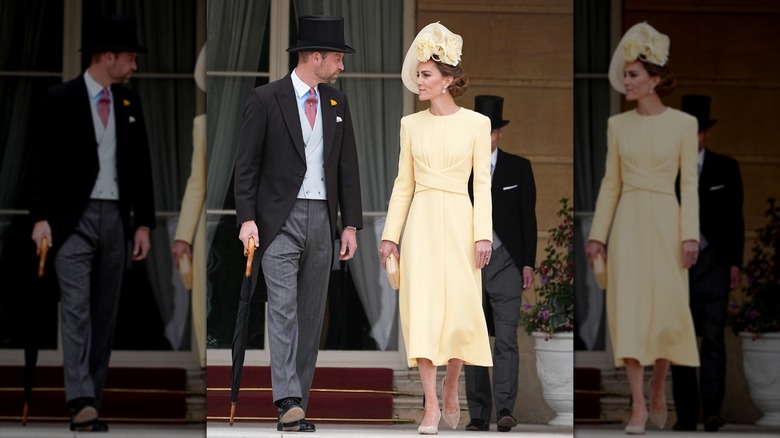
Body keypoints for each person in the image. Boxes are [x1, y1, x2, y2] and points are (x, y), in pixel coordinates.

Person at [232, 15, 362, 433]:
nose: (342, 65)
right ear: (315, 56)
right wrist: (247, 219)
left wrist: (350, 225)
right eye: (337, 57)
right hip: (278, 222)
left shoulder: (337, 102)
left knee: (310, 314)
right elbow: (246, 166)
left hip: (323, 218)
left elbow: (347, 168)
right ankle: (287, 398)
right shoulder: (265, 98)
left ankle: (296, 406)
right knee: (284, 310)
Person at [27, 15, 155, 432]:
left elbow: (141, 167)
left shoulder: (129, 103)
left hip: (115, 217)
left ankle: (90, 402)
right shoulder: (59, 98)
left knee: (105, 314)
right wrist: (40, 218)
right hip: (71, 220)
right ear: (107, 57)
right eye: (130, 57)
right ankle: (80, 399)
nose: (134, 65)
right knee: (76, 309)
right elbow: (39, 163)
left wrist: (143, 224)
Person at [585, 22, 700, 435]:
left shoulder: (685, 124)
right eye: (626, 75)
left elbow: (689, 185)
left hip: (668, 221)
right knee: (629, 311)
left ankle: (657, 385)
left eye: (633, 75)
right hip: (629, 223)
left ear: (654, 79)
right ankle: (637, 405)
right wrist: (597, 235)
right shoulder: (618, 125)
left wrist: (690, 235)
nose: (626, 82)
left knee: (667, 310)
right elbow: (610, 183)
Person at [378, 22, 493, 435]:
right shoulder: (410, 124)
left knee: (460, 309)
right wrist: (390, 235)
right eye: (418, 74)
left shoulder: (478, 124)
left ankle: (451, 383)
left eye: (425, 75)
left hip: (462, 220)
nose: (419, 81)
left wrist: (483, 234)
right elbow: (403, 184)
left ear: (447, 80)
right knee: (422, 310)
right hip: (422, 222)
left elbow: (482, 184)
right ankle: (430, 403)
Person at [463, 95, 537, 433]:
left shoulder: (519, 167)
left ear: (499, 133)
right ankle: (479, 413)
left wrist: (528, 264)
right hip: (469, 263)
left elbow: (528, 220)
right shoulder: (461, 168)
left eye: (491, 131)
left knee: (506, 338)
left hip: (507, 262)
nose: (486, 136)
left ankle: (505, 409)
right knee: (472, 339)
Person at [671, 95, 744, 433]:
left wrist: (735, 263)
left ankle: (712, 411)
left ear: (706, 134)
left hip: (715, 264)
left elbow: (736, 220)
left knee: (713, 337)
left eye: (697, 131)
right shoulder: (668, 170)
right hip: (677, 267)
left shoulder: (726, 168)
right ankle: (687, 416)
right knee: (680, 340)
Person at [172, 43, 207, 369]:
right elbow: (197, 182)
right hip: (212, 222)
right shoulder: (202, 124)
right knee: (204, 297)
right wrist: (183, 235)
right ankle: (209, 363)